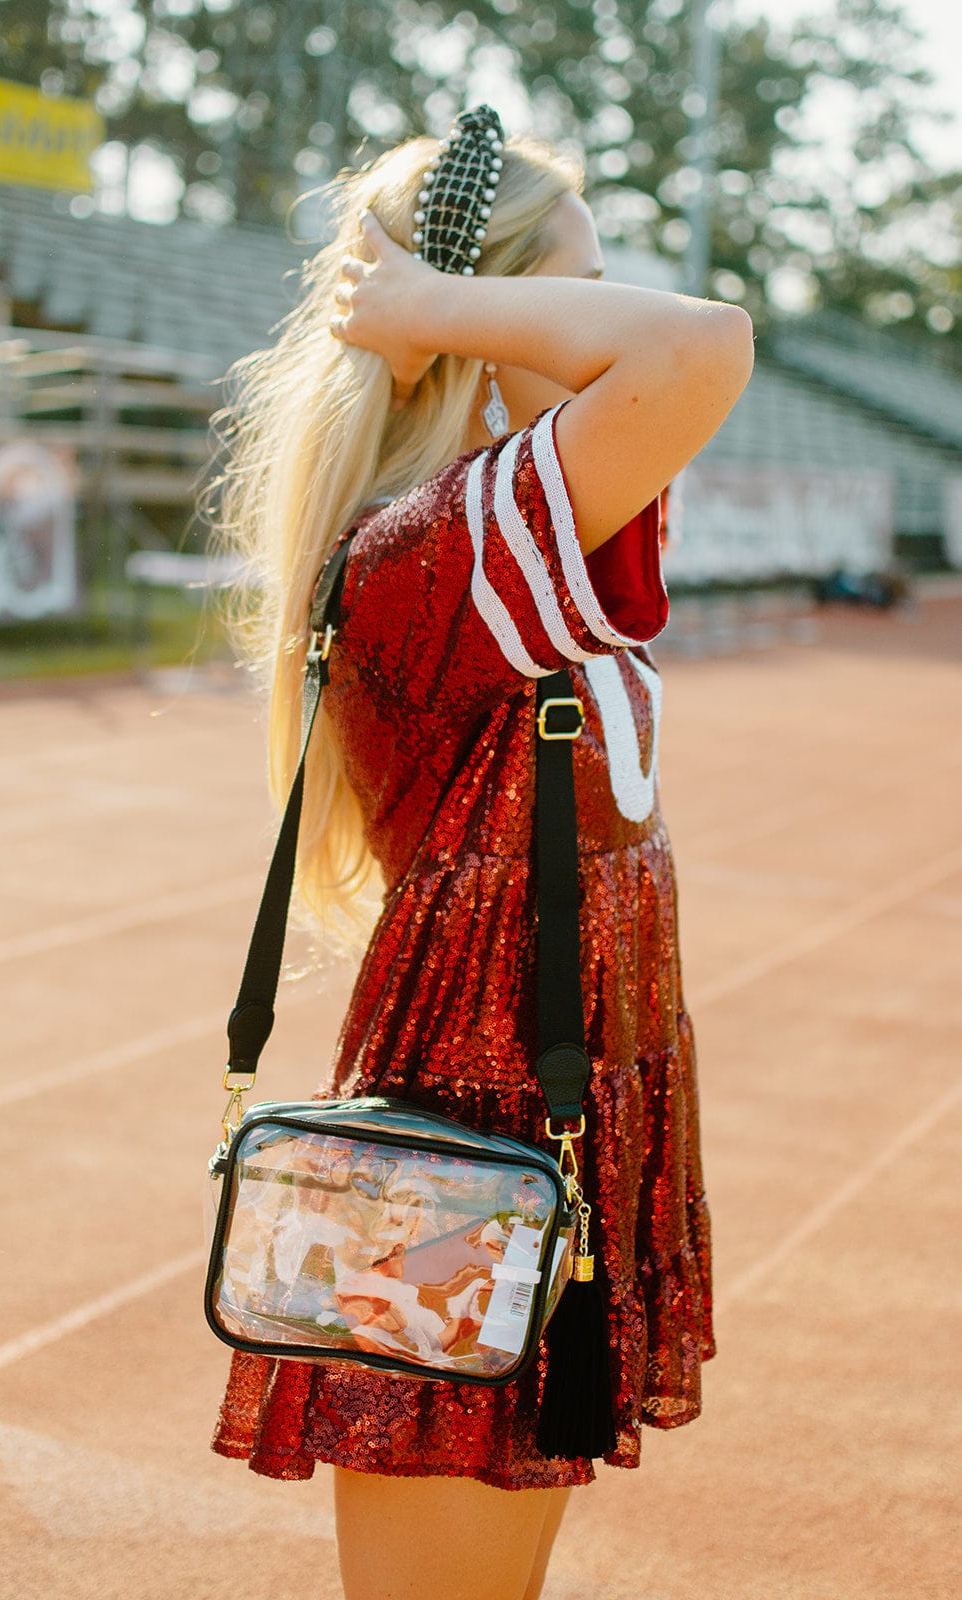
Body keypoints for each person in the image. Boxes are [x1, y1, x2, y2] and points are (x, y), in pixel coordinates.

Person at [209, 105, 754, 1600]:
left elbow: (673, 366)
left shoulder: (518, 526)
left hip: (552, 1099)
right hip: (478, 1127)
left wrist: (456, 314)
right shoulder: (439, 549)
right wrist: (433, 310)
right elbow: (704, 345)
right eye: (568, 289)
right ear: (476, 316)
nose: (589, 327)